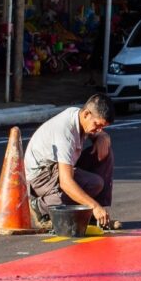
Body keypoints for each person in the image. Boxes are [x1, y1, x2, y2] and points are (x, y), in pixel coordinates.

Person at [25, 94, 118, 231]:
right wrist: (94, 206)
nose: (98, 129)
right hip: (40, 178)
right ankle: (40, 207)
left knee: (105, 152)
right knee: (94, 183)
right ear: (86, 114)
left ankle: (97, 216)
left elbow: (98, 133)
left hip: (61, 167)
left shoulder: (80, 117)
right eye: (97, 125)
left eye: (102, 127)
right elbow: (66, 182)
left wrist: (102, 136)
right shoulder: (65, 133)